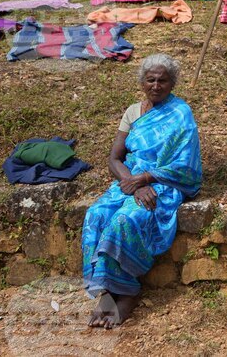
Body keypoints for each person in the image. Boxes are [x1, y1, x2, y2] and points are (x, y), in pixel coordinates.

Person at [83, 54, 201, 328]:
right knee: (95, 215)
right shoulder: (133, 112)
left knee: (125, 220)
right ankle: (107, 290)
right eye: (151, 80)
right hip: (131, 182)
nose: (156, 85)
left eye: (163, 80)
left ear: (172, 84)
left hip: (163, 184)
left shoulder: (181, 113)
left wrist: (145, 179)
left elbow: (186, 165)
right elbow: (115, 158)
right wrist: (133, 183)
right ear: (142, 82)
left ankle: (126, 292)